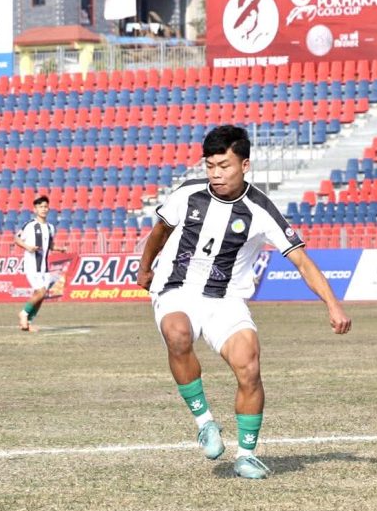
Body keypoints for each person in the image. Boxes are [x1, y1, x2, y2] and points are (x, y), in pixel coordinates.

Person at [136, 125, 351, 479]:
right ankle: (205, 422)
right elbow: (160, 231)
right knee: (178, 334)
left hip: (226, 299)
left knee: (249, 366)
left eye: (224, 166)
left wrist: (333, 304)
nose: (216, 174)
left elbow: (301, 261)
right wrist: (145, 269)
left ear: (245, 165)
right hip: (176, 288)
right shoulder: (187, 194)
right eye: (210, 166)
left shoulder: (261, 210)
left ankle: (246, 455)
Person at [14, 195, 68, 332]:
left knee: (41, 295)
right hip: (32, 264)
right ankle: (23, 313)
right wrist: (28, 247)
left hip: (44, 267)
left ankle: (27, 323)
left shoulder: (50, 227)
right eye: (41, 207)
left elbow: (49, 245)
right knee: (40, 292)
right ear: (35, 209)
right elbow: (17, 239)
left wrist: (59, 249)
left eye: (45, 207)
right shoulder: (30, 225)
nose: (43, 209)